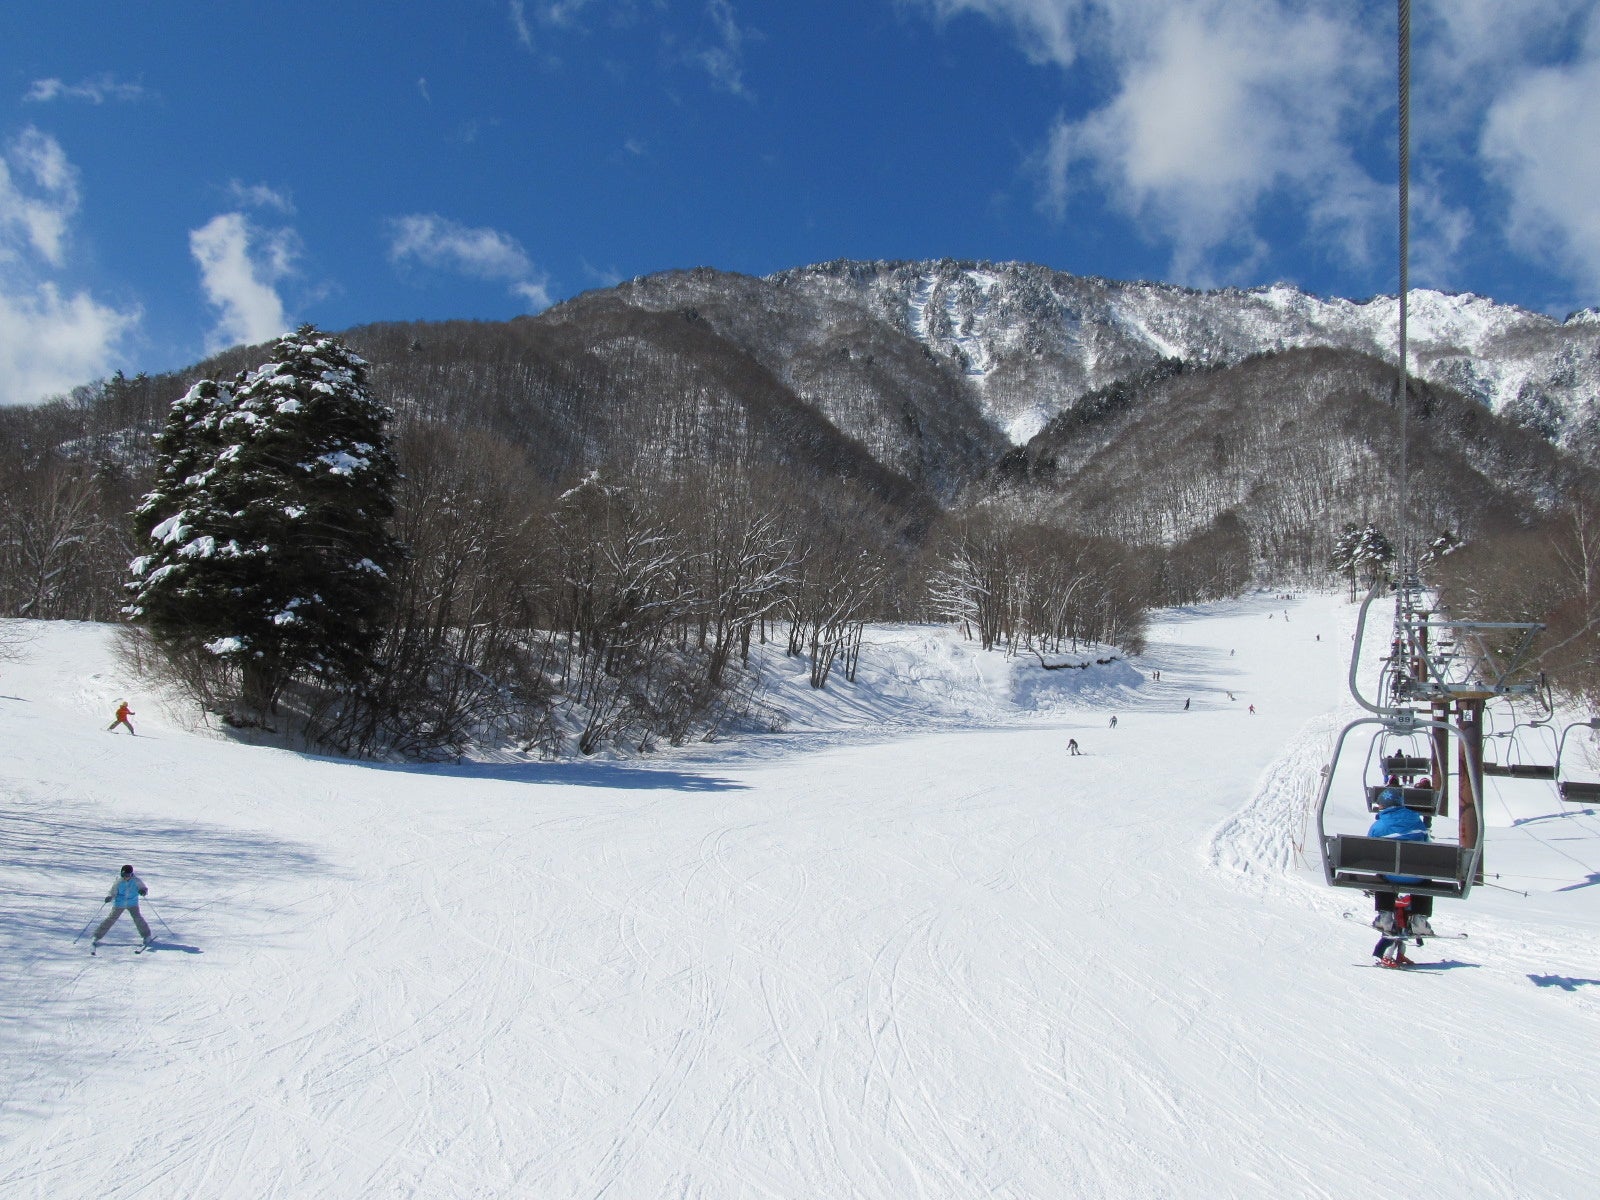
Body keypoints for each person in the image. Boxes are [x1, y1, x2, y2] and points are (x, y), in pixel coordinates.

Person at [1367, 789, 1436, 963]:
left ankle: (1385, 915)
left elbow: (1370, 850)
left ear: (1382, 806)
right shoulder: (1417, 822)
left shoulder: (1378, 826)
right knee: (1426, 878)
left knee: (1382, 875)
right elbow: (1428, 846)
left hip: (1390, 876)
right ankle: (1420, 918)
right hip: (1416, 878)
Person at [93, 864, 152, 949]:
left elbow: (143, 888)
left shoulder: (136, 881)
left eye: (128, 875)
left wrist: (143, 891)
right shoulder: (119, 882)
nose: (126, 877)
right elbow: (113, 892)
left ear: (131, 874)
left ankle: (147, 936)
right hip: (119, 903)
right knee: (111, 919)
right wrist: (110, 897)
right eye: (124, 875)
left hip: (132, 903)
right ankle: (97, 936)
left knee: (138, 918)